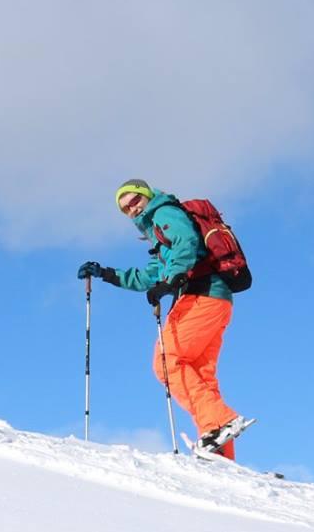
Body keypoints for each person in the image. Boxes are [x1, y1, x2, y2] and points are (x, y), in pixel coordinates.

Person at [79, 180, 252, 458]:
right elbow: (150, 276)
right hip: (215, 300)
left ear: (146, 195)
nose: (132, 209)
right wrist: (106, 273)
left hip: (201, 294)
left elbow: (187, 241)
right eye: (125, 209)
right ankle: (221, 452)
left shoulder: (164, 212)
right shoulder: (158, 235)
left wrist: (174, 279)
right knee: (199, 375)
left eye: (134, 200)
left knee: (166, 361)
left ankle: (220, 421)